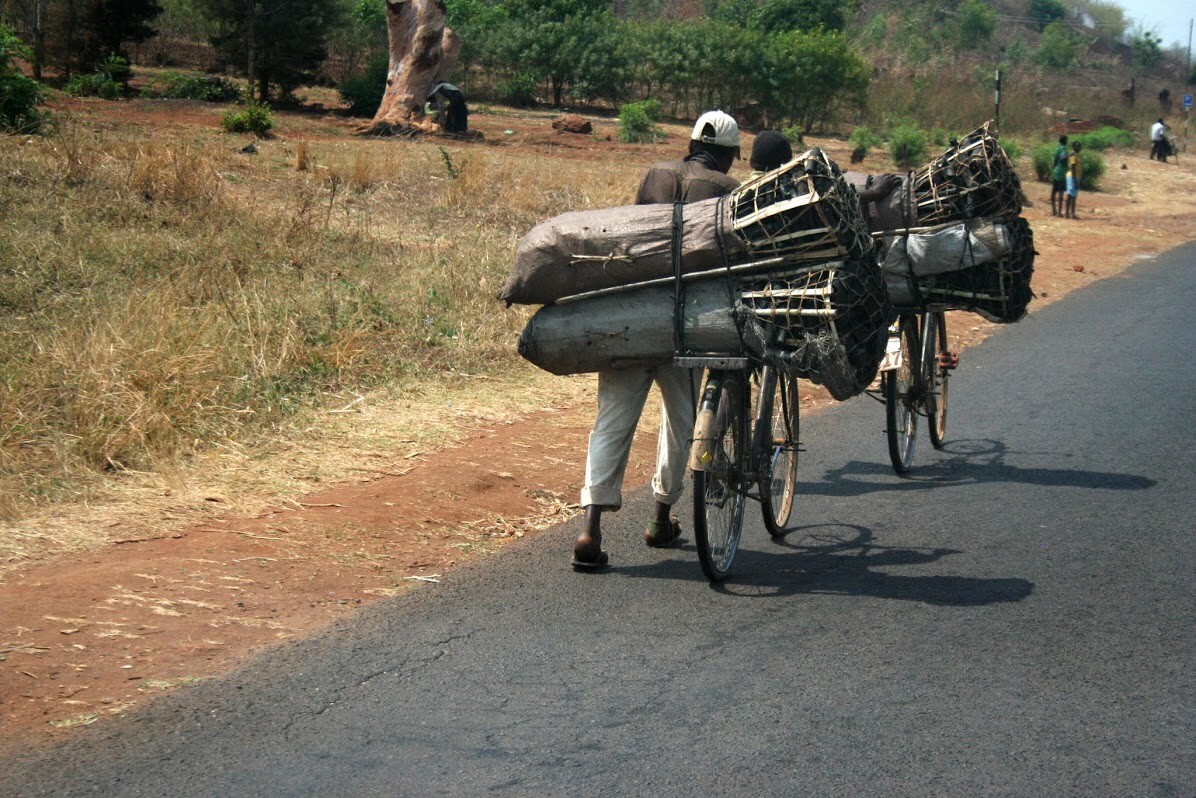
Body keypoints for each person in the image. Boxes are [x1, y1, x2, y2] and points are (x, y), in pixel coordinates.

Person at [572, 110, 741, 570]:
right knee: (681, 422)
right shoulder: (728, 190)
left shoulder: (657, 174)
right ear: (728, 155)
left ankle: (590, 529)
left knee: (611, 423)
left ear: (690, 144)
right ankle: (661, 518)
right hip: (687, 324)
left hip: (630, 315)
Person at [1050, 134, 1069, 217]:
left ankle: (1054, 210)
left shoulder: (1057, 149)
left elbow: (1055, 161)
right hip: (1061, 173)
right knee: (1061, 192)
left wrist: (1054, 170)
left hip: (1056, 172)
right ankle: (1059, 212)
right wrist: (1070, 155)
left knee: (1054, 192)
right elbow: (1062, 158)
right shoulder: (1063, 149)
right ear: (1066, 141)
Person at [1065, 140, 1082, 219]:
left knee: (1073, 196)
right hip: (1072, 176)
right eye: (1076, 146)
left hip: (1075, 177)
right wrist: (1075, 180)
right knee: (1070, 195)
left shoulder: (1076, 155)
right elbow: (1073, 167)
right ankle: (1068, 213)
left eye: (1079, 146)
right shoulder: (1073, 155)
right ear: (1073, 147)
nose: (1078, 147)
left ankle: (1072, 213)